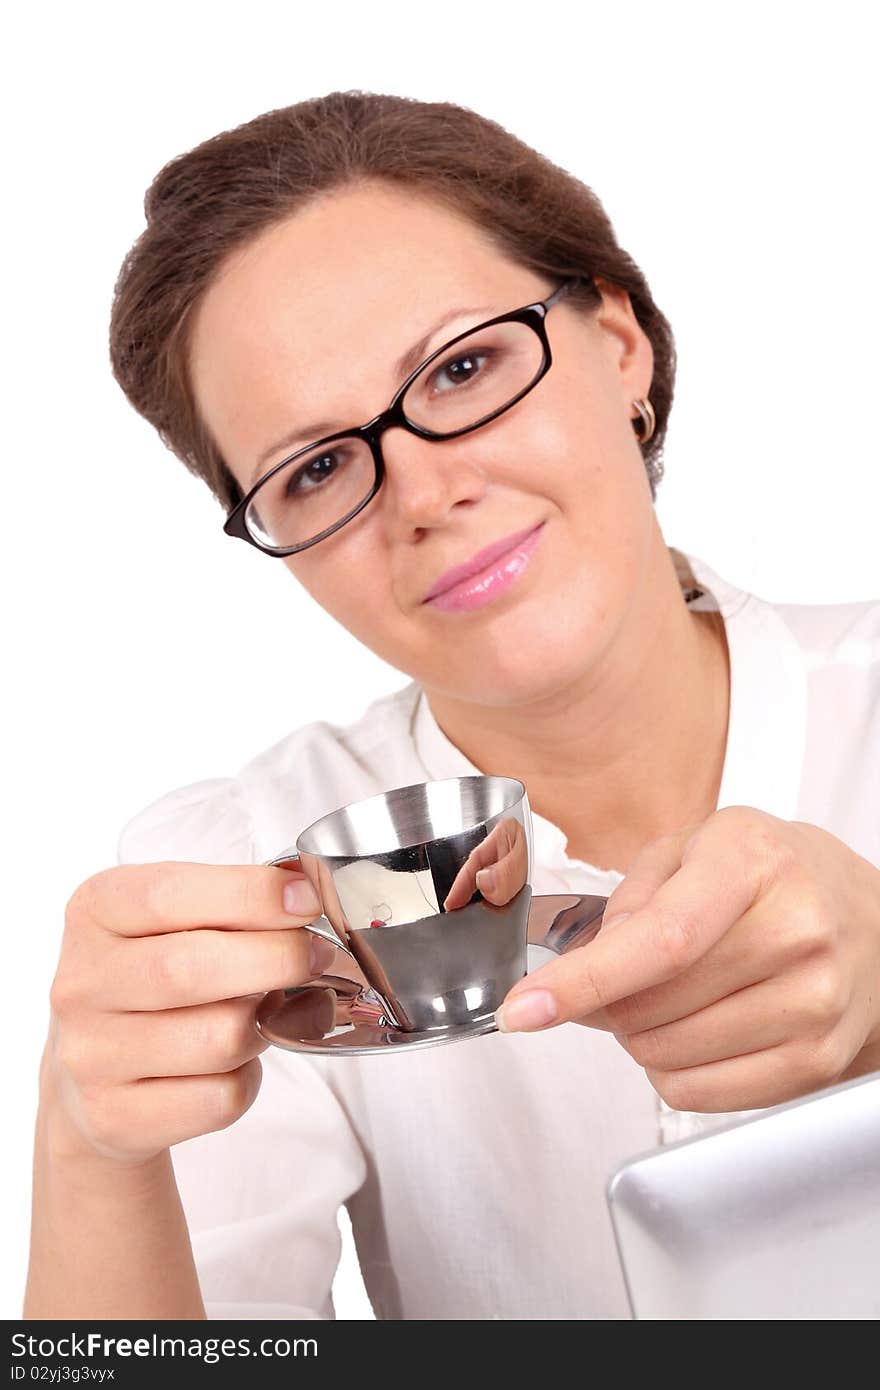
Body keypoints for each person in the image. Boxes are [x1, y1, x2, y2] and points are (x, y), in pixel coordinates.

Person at [25, 91, 880, 1321]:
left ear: (620, 346)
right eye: (316, 467)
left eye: (464, 367)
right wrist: (88, 1153)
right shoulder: (240, 882)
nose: (420, 490)